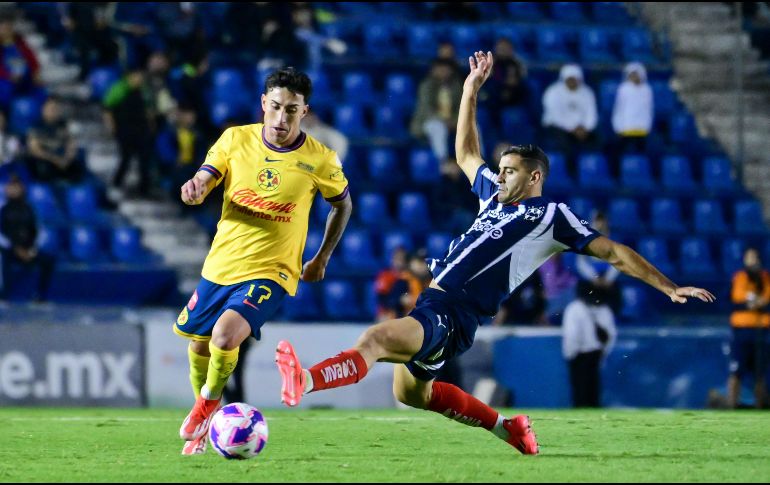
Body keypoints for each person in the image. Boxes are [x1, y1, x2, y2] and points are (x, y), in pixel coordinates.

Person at [275, 51, 715, 456]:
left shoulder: (551, 215)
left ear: (534, 176)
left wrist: (669, 287)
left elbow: (615, 253)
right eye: (500, 170)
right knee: (411, 395)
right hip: (435, 303)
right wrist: (470, 91)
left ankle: (305, 379)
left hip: (453, 312)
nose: (499, 176)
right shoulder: (493, 199)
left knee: (374, 340)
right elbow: (466, 152)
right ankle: (509, 429)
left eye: (509, 171)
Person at [174, 67, 352, 455]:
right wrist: (196, 187)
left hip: (273, 271)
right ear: (263, 104)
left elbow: (342, 205)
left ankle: (206, 408)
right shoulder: (235, 138)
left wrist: (321, 257)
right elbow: (206, 175)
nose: (281, 118)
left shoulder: (320, 160)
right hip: (220, 265)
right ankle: (206, 422)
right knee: (199, 348)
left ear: (305, 111)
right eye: (275, 107)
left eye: (291, 110)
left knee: (224, 336)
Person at [726, 247, 770, 409]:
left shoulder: (766, 278)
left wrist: (760, 304)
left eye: (755, 257)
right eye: (749, 258)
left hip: (762, 331)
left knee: (761, 373)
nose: (753, 261)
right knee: (736, 371)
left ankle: (760, 409)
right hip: (741, 331)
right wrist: (748, 304)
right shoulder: (738, 278)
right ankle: (731, 407)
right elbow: (727, 302)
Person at [0, 175, 55, 301]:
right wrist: (15, 248)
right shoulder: (2, 209)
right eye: (11, 186)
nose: (13, 189)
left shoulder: (30, 209)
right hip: (9, 250)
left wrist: (31, 250)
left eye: (16, 186)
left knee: (48, 260)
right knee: (2, 257)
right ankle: (3, 294)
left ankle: (41, 295)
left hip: (29, 249)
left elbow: (39, 231)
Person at [541, 64, 598, 162]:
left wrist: (586, 128)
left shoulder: (587, 92)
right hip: (557, 126)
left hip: (582, 128)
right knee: (565, 143)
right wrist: (572, 128)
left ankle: (590, 169)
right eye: (569, 79)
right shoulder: (553, 92)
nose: (572, 82)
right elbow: (555, 115)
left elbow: (591, 113)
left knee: (597, 140)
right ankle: (569, 171)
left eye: (575, 79)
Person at [611, 62, 653, 157]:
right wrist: (618, 126)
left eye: (636, 74)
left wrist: (646, 125)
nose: (634, 77)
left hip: (642, 128)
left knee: (642, 154)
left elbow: (649, 110)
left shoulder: (647, 90)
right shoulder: (623, 89)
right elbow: (619, 108)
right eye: (632, 75)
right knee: (619, 153)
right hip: (625, 127)